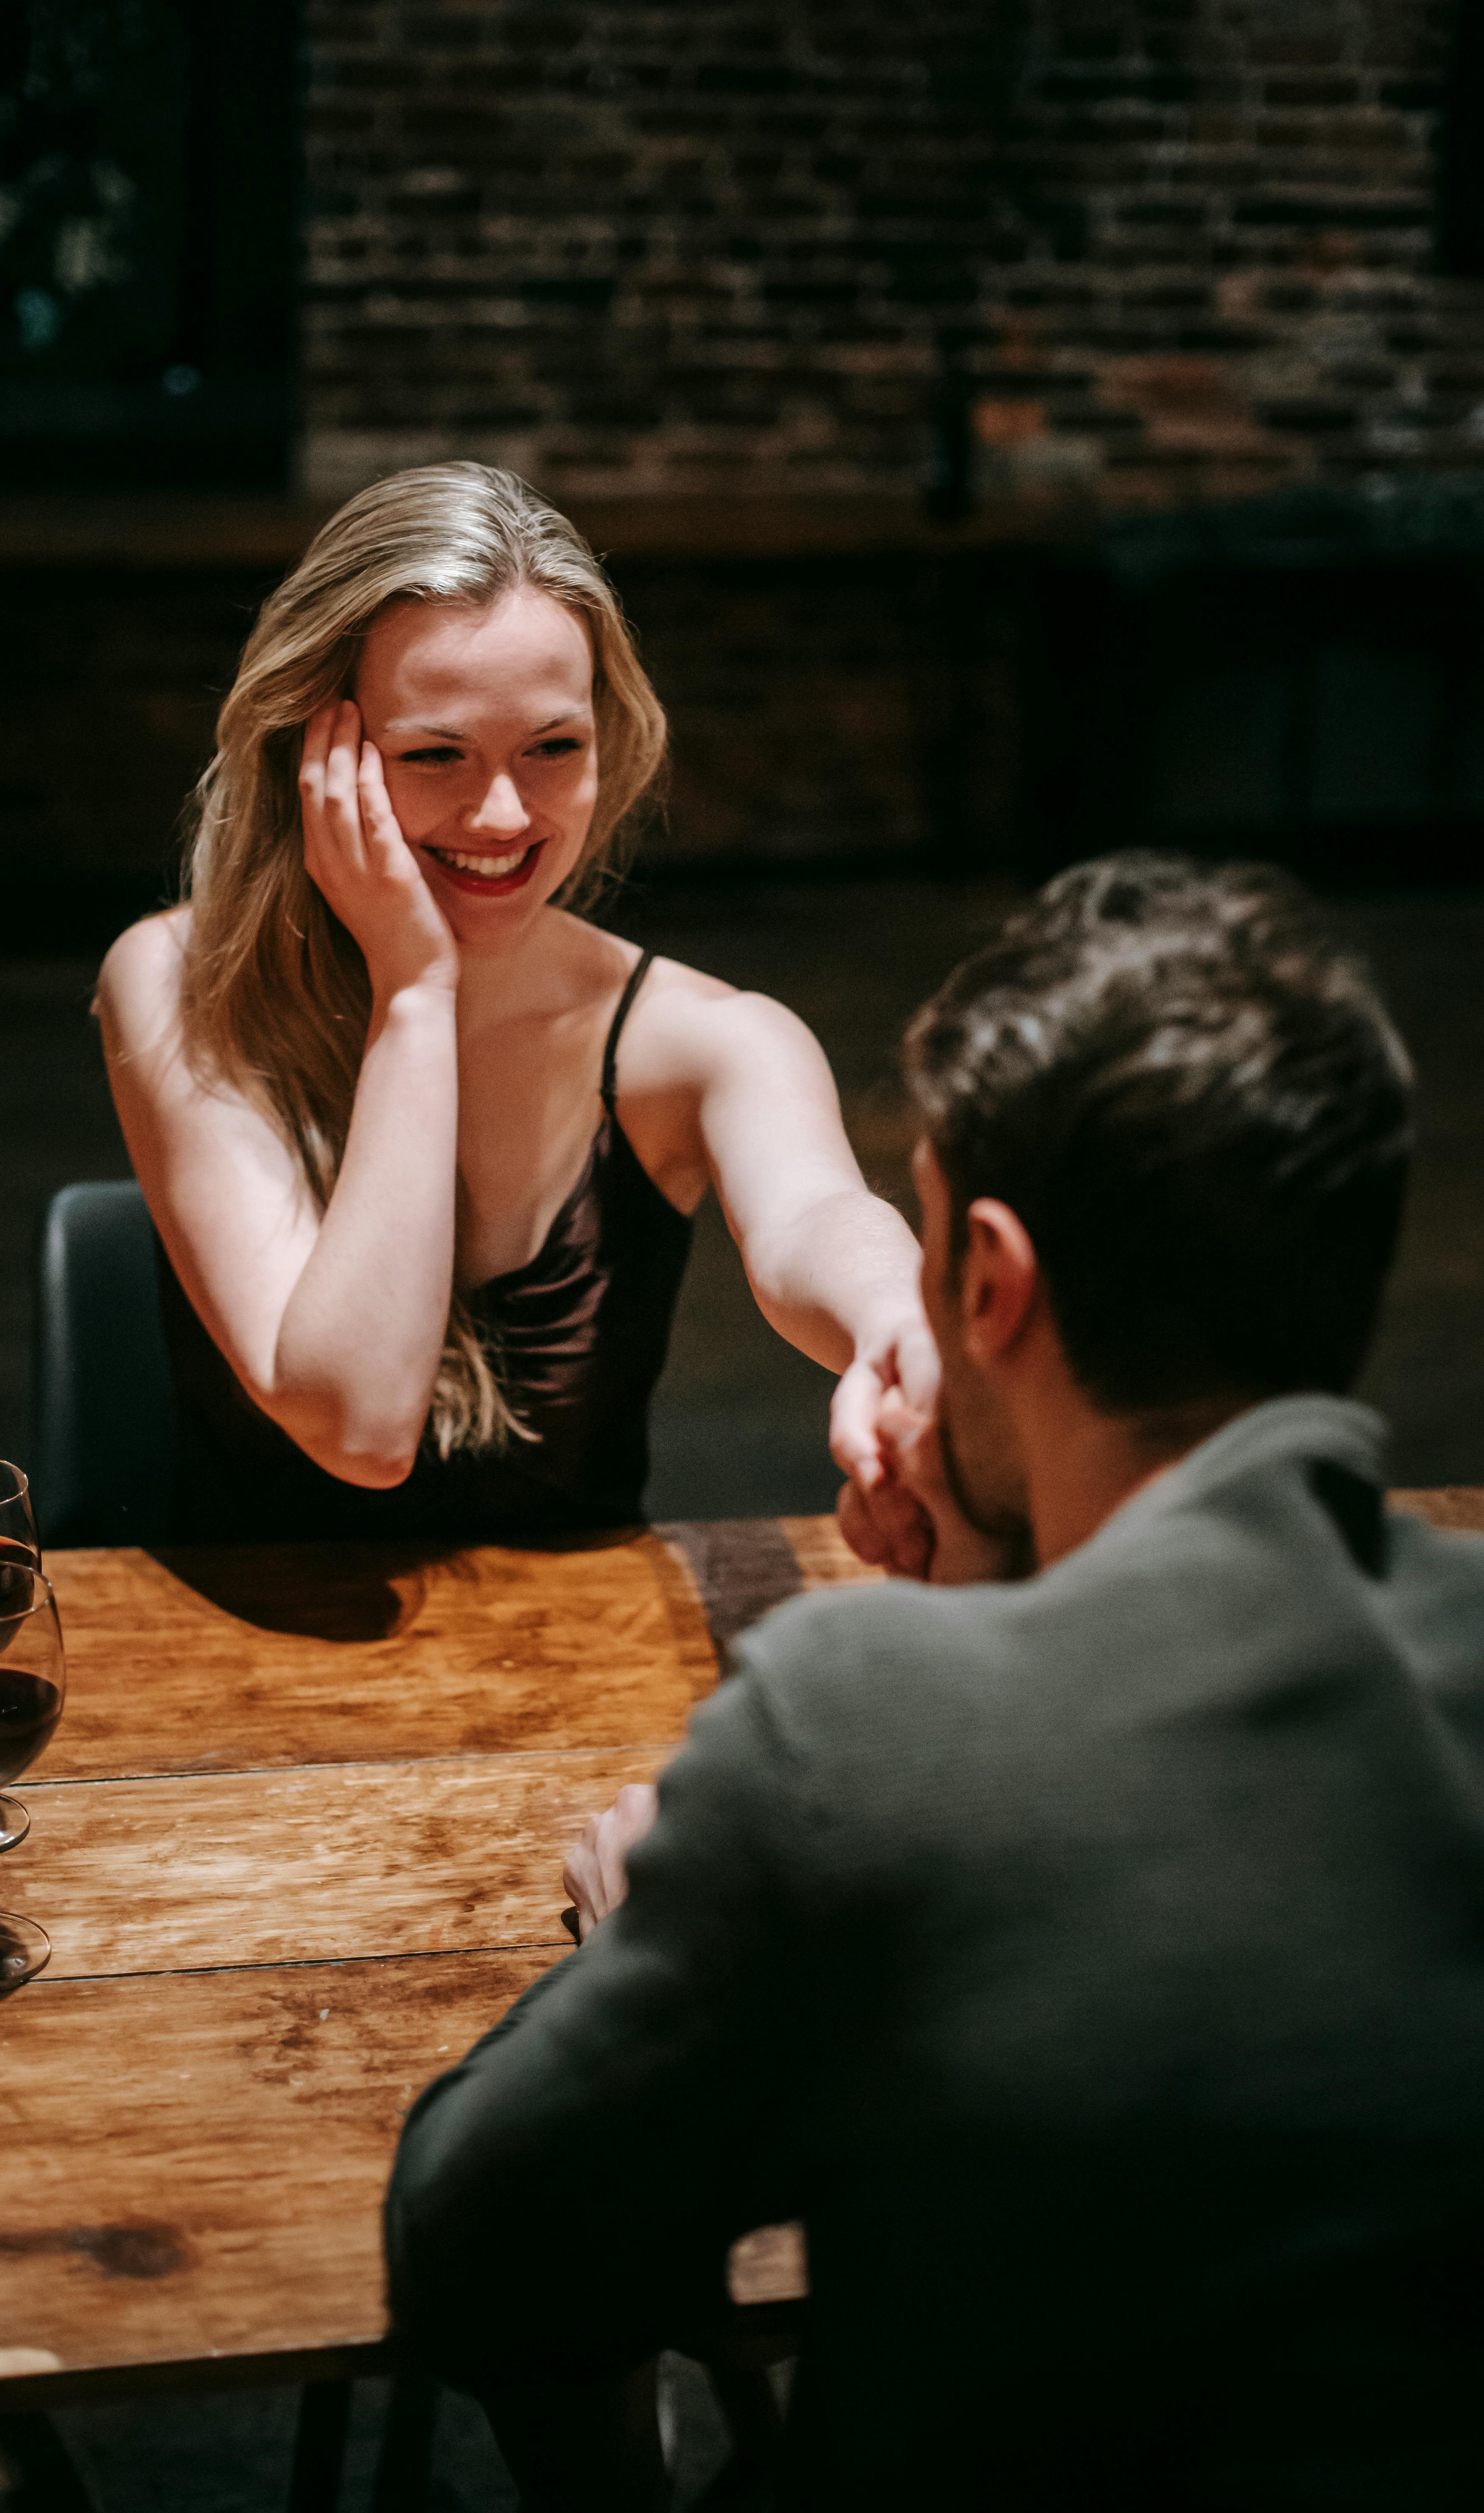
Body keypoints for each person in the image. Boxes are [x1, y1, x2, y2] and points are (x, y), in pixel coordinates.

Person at [385, 852, 1484, 2509]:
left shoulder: (865, 1737)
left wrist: (651, 1928)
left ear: (990, 1281)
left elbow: (480, 2266)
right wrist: (1002, 1566)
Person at [96, 462, 932, 1542]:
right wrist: (416, 994)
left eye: (553, 748)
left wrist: (900, 1323)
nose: (502, 816)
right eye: (435, 754)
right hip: (246, 1669)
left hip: (582, 1679)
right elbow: (360, 1426)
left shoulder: (709, 1038)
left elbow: (817, 1216)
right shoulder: (174, 980)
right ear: (311, 752)